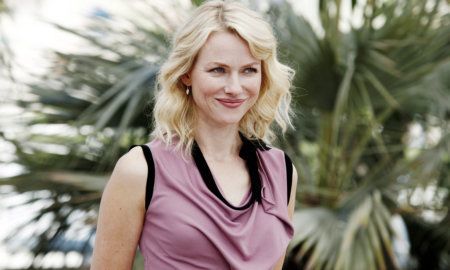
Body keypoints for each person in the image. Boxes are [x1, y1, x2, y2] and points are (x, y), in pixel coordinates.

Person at [91, 1, 298, 269]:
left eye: (249, 70)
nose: (235, 87)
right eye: (218, 70)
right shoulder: (140, 170)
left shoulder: (281, 171)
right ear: (187, 74)